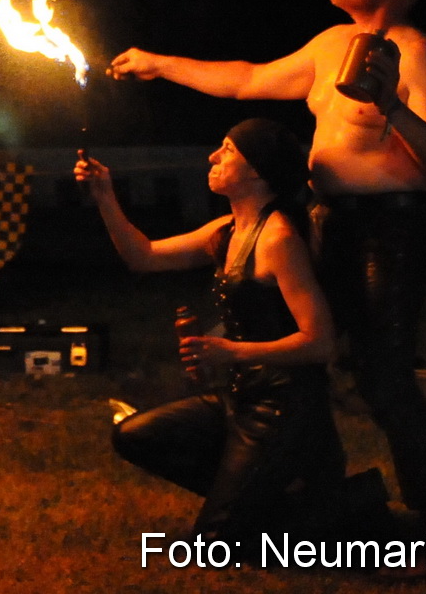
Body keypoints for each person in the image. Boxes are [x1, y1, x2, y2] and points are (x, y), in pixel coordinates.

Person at [107, 0, 426, 530]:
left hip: (389, 232)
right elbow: (245, 80)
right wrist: (159, 64)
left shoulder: (417, 53)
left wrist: (393, 107)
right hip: (326, 219)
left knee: (382, 380)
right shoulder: (332, 44)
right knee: (299, 360)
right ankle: (316, 493)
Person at [79, 120, 345, 540]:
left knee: (214, 545)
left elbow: (319, 342)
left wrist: (233, 352)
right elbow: (143, 256)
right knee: (134, 435)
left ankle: (290, 504)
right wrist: (105, 197)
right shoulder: (225, 231)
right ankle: (276, 500)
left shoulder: (277, 239)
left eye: (227, 150)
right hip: (239, 398)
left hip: (282, 410)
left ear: (256, 170)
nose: (213, 156)